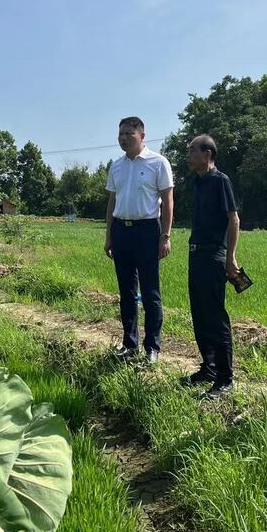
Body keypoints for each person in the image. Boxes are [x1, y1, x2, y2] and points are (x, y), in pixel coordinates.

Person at [105, 116, 174, 364]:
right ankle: (129, 343)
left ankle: (152, 347)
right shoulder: (117, 166)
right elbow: (112, 201)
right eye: (121, 134)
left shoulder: (158, 162)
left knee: (150, 291)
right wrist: (109, 235)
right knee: (126, 292)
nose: (124, 138)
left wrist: (165, 236)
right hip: (121, 231)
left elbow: (168, 201)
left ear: (142, 136)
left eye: (129, 134)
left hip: (147, 231)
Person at [182, 134, 240, 398]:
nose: (189, 155)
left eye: (192, 150)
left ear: (208, 154)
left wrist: (230, 257)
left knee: (215, 317)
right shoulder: (196, 181)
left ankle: (226, 379)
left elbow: (233, 219)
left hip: (213, 254)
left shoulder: (220, 180)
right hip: (195, 253)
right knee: (199, 314)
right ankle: (209, 368)